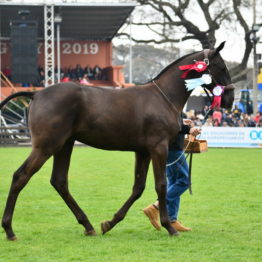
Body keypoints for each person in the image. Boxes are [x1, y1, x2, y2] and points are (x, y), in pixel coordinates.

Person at [143, 118, 201, 232]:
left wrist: (182, 121)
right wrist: (189, 129)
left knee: (175, 182)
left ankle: (172, 220)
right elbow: (171, 122)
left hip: (169, 148)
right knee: (184, 181)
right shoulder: (171, 102)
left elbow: (171, 119)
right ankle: (155, 206)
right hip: (173, 149)